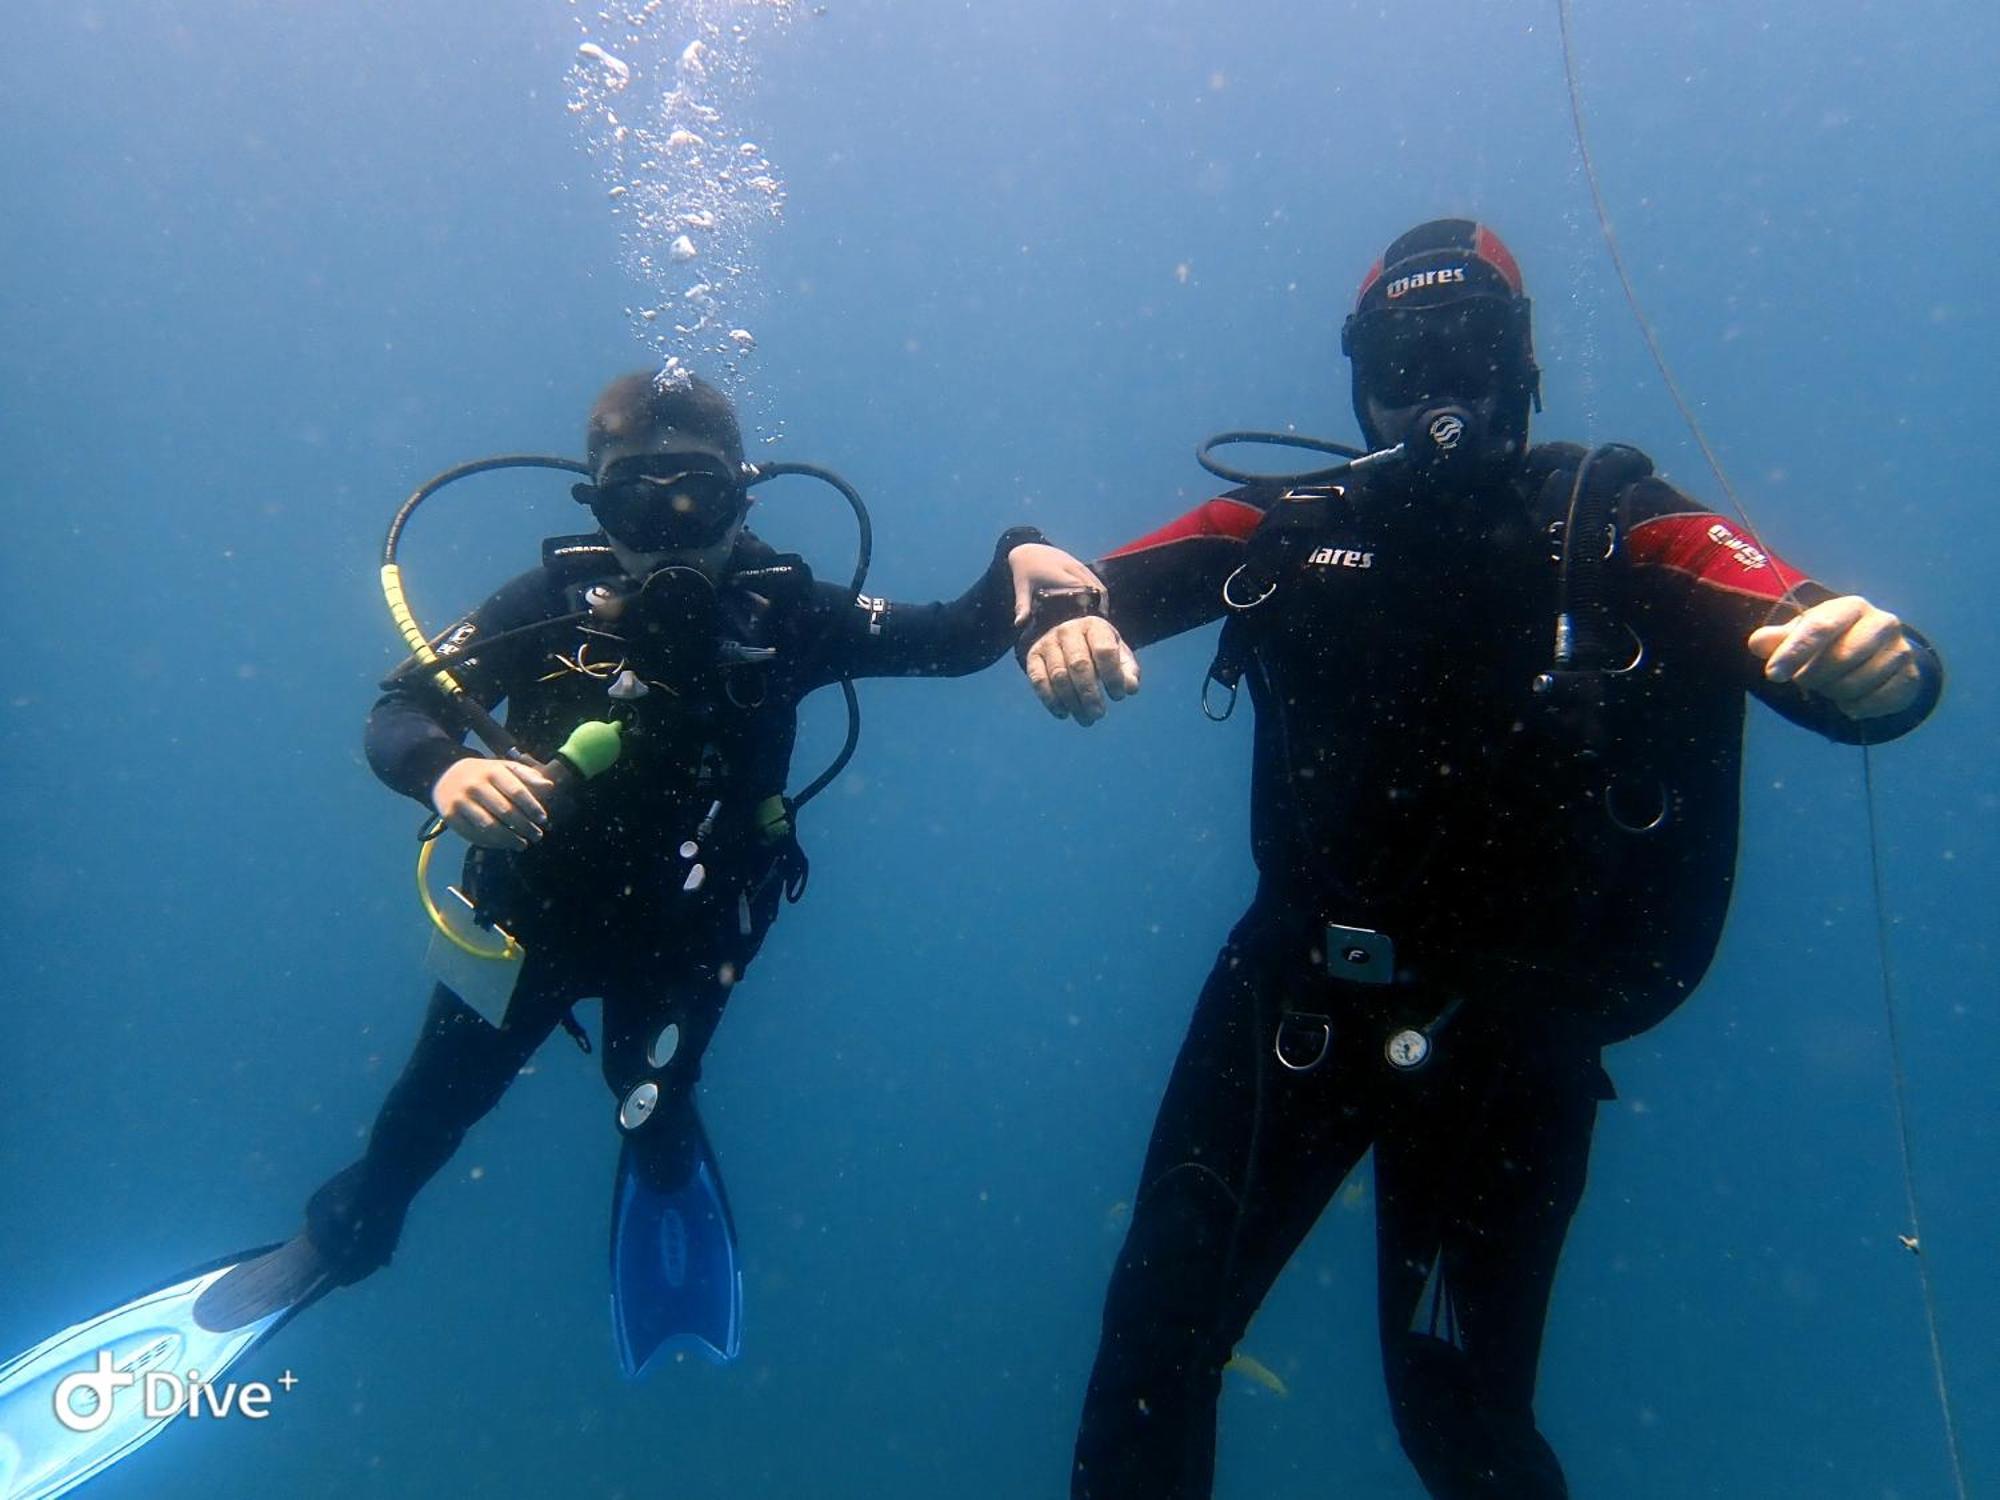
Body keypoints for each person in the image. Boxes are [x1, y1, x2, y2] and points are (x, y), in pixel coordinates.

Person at [0, 370, 1106, 1498]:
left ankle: (663, 1147)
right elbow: (396, 713)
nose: (669, 534)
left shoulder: (792, 613)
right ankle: (341, 1235)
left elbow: (963, 635)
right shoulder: (540, 605)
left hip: (692, 937)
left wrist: (1023, 556)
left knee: (653, 1094)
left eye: (699, 501)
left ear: (744, 499)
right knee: (424, 1117)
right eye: (638, 506)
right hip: (527, 930)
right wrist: (450, 768)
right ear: (593, 507)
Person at [1019, 219, 1944, 1499]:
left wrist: (1874, 661)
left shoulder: (1609, 517)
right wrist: (1053, 602)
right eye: (1404, 355)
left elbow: (1805, 634)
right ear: (1360, 378)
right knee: (1148, 1353)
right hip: (1288, 1001)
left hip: (1505, 1044)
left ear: (1521, 366)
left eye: (1467, 349)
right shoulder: (1282, 526)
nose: (1435, 388)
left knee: (1455, 1421)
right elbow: (1088, 582)